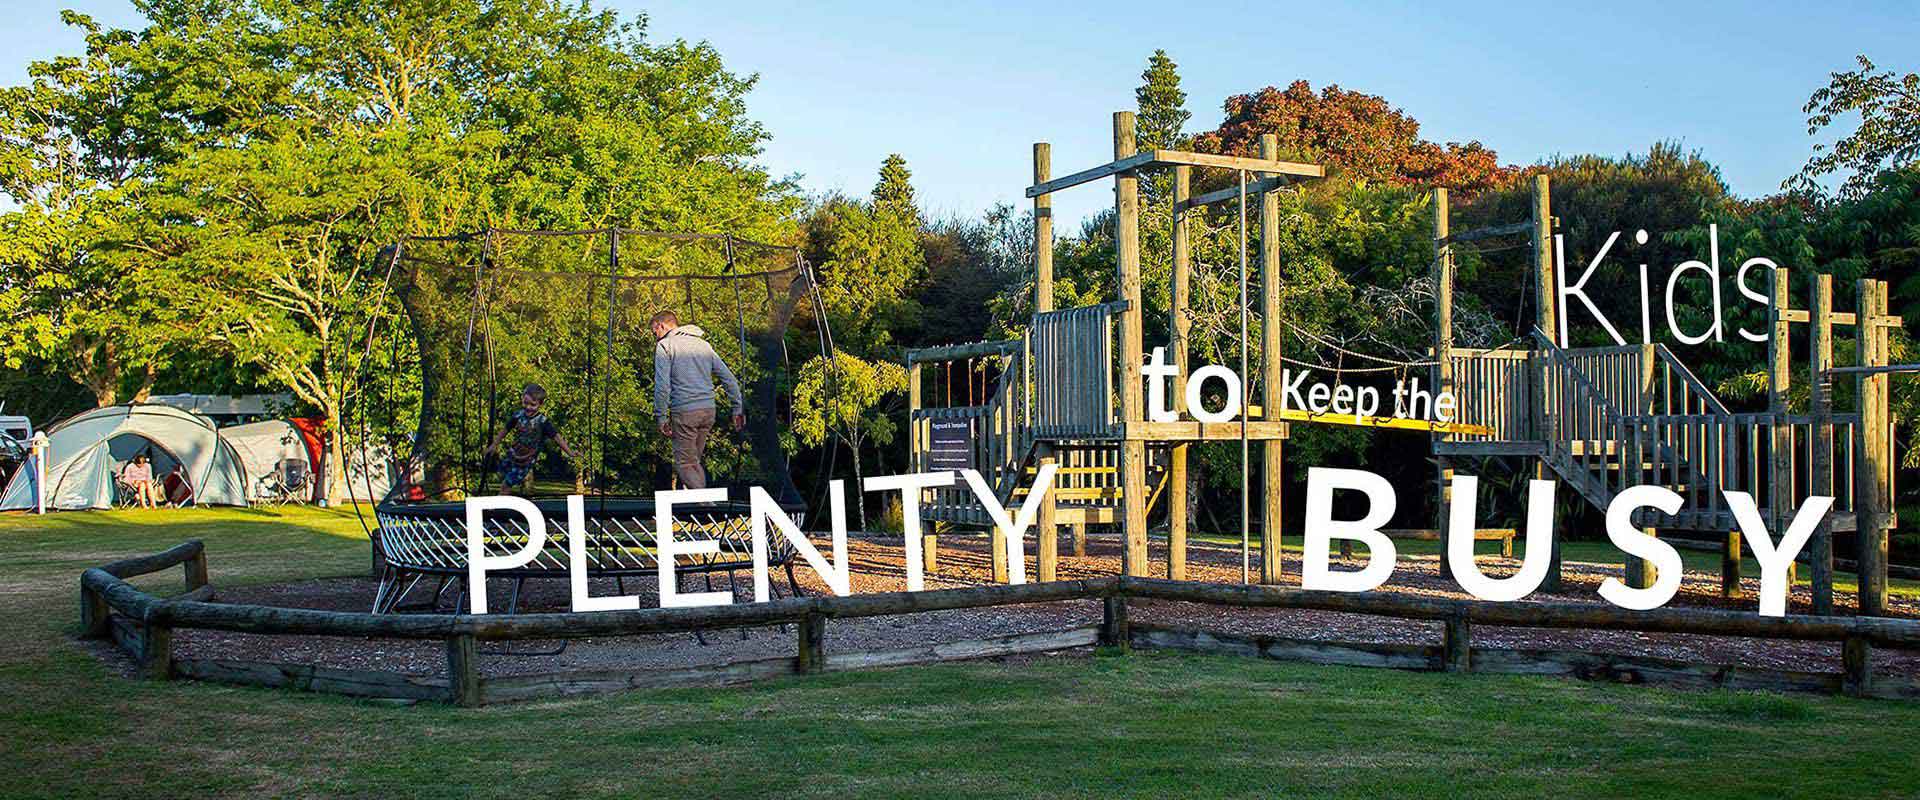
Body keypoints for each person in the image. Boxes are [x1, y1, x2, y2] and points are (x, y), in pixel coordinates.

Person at [650, 310, 744, 490]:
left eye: (655, 332)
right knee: (694, 463)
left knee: (684, 464)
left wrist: (661, 416)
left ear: (661, 325)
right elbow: (728, 378)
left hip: (685, 411)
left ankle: (706, 503)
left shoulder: (665, 346)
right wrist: (737, 408)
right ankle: (702, 503)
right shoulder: (703, 345)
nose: (655, 337)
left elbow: (662, 385)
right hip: (708, 411)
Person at [485, 383, 579, 494]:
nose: (528, 407)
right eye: (525, 403)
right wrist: (494, 444)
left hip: (525, 460)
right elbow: (505, 430)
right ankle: (502, 499)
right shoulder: (518, 415)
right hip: (513, 454)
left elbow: (557, 437)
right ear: (522, 399)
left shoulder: (543, 422)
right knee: (500, 475)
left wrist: (569, 452)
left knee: (507, 483)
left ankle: (499, 502)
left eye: (533, 405)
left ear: (540, 404)